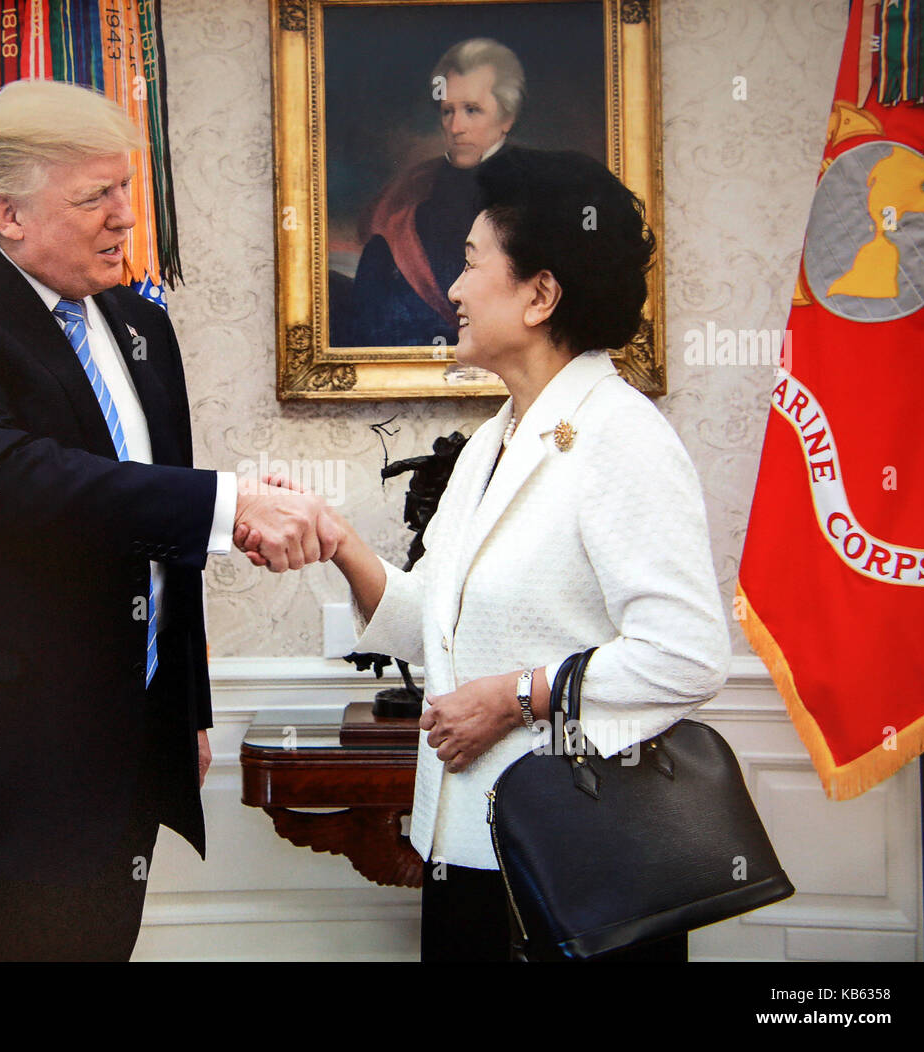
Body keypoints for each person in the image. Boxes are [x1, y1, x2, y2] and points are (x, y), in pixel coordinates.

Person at [0, 79, 338, 961]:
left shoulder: (140, 322)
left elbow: (155, 530)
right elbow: (25, 483)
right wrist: (234, 503)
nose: (125, 217)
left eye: (126, 189)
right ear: (7, 213)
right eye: (94, 197)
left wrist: (185, 708)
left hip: (117, 768)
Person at [241, 147, 731, 961]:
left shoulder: (624, 438)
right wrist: (338, 537)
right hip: (465, 847)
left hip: (578, 865)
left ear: (540, 295)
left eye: (470, 264)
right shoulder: (492, 442)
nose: (455, 288)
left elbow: (686, 657)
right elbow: (429, 624)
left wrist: (514, 697)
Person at [343, 38, 524, 347]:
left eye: (472, 110)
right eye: (447, 112)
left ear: (506, 118)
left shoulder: (537, 185)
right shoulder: (411, 191)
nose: (455, 127)